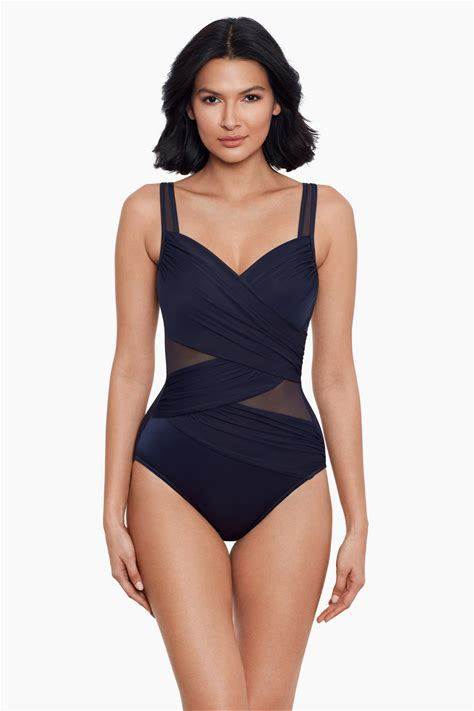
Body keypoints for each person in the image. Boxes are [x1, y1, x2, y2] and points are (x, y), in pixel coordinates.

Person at [103, 16, 368, 710]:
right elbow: (130, 366)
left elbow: (336, 375)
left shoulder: (326, 213)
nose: (231, 118)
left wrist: (359, 521)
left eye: (250, 97)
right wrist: (109, 510)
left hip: (289, 477)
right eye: (212, 98)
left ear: (277, 102)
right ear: (188, 106)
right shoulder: (148, 212)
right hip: (172, 475)